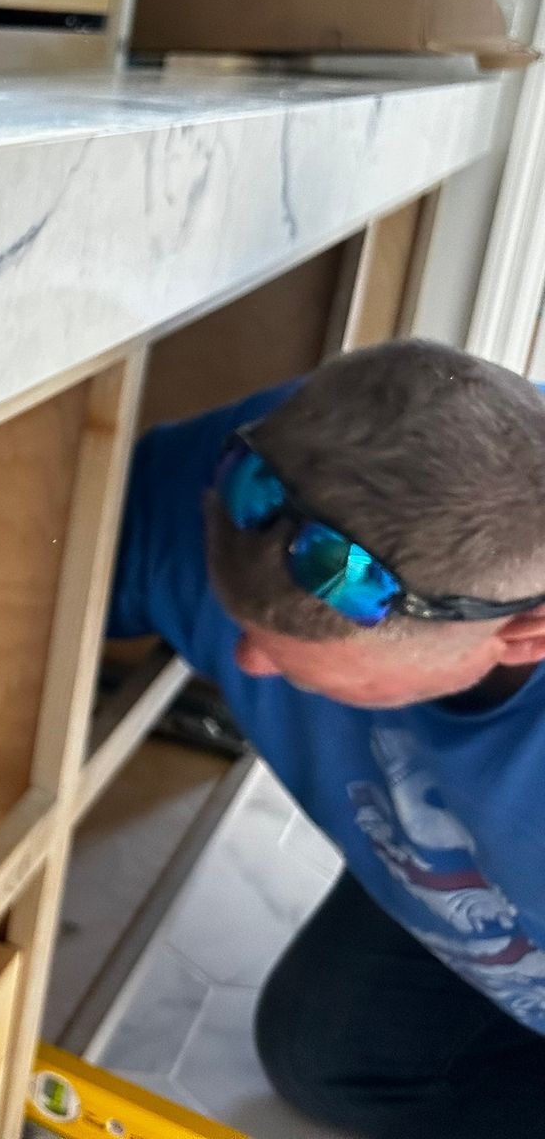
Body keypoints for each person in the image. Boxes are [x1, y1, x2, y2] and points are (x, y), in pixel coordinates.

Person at [109, 338, 545, 1139]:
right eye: (241, 624)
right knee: (324, 1060)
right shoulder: (309, 463)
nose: (245, 663)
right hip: (493, 874)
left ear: (524, 633)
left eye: (301, 665)